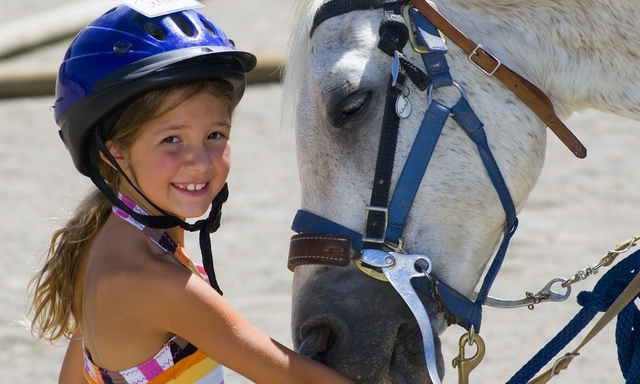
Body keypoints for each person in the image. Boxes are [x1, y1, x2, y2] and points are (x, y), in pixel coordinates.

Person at [27, 4, 355, 384]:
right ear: (113, 151)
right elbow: (299, 379)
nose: (199, 161)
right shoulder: (157, 283)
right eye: (172, 139)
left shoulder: (101, 241)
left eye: (215, 135)